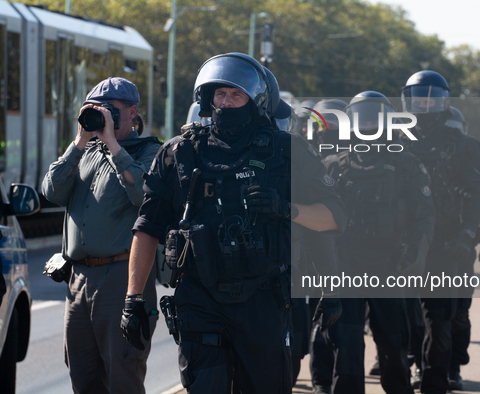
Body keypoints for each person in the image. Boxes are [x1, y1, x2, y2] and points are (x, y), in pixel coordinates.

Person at [120, 53, 346, 393]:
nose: (226, 102)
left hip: (264, 297)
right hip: (200, 295)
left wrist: (286, 208)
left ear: (254, 102)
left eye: (236, 95)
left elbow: (334, 217)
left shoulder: (286, 151)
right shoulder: (178, 153)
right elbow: (147, 227)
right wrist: (133, 298)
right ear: (207, 99)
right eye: (220, 94)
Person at [41, 77, 161, 393]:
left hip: (122, 276)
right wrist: (80, 141)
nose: (102, 115)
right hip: (78, 278)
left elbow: (143, 195)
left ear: (132, 112)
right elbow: (52, 191)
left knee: (123, 373)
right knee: (83, 375)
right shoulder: (85, 151)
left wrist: (112, 144)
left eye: (111, 109)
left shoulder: (149, 151)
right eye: (94, 109)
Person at [313, 91, 435, 394]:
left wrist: (415, 260)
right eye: (361, 116)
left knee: (393, 346)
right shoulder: (333, 165)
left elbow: (424, 218)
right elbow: (317, 221)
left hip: (389, 267)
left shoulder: (406, 164)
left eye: (374, 116)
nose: (367, 123)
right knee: (348, 346)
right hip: (346, 268)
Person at [400, 71, 480, 394]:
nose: (423, 104)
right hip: (404, 245)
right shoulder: (395, 142)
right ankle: (413, 367)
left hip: (446, 245)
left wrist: (468, 235)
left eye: (430, 97)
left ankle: (437, 378)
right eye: (417, 96)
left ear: (443, 101)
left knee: (444, 321)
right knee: (406, 317)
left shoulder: (464, 146)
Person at [445, 107, 480, 391]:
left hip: (462, 245)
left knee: (457, 311)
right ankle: (418, 362)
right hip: (424, 244)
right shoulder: (418, 152)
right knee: (418, 309)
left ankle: (453, 367)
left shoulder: (473, 156)